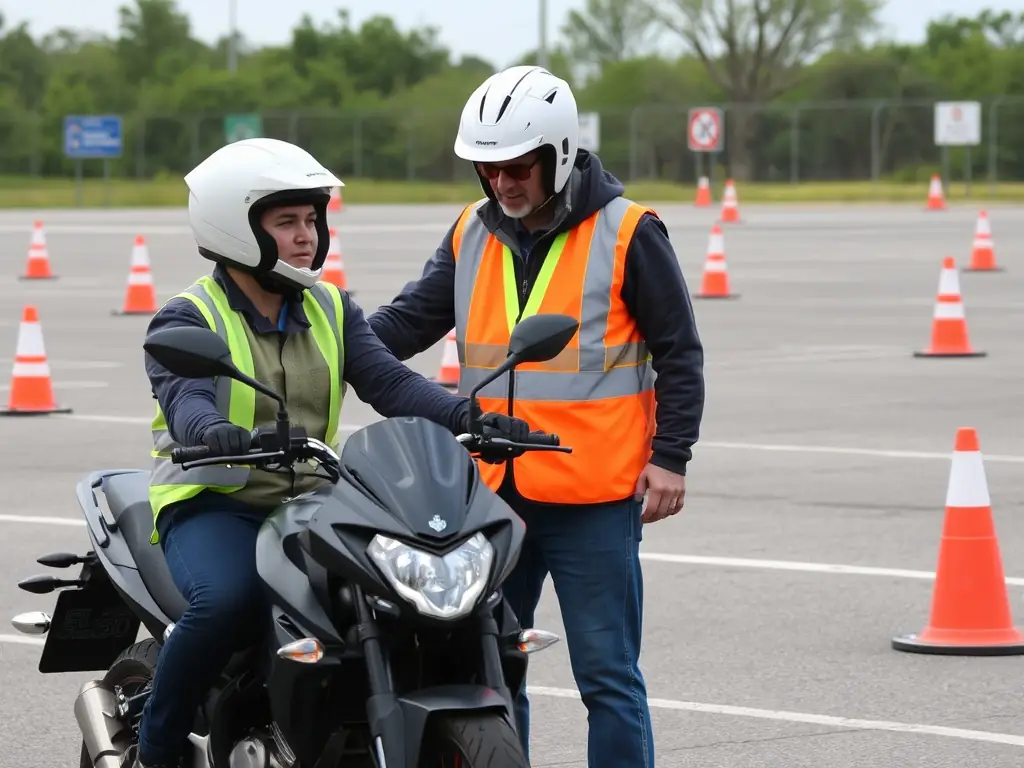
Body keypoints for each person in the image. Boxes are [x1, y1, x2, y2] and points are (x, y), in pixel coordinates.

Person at [127, 137, 531, 768]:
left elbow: (390, 383)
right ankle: (158, 748)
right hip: (217, 503)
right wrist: (212, 429)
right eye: (286, 222)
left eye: (312, 220)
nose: (305, 235)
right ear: (237, 229)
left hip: (313, 501)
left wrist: (472, 416)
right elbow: (185, 398)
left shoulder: (329, 305)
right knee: (226, 602)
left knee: (393, 597)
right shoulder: (191, 316)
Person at [366, 66, 705, 768]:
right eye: (487, 170)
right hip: (493, 494)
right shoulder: (472, 229)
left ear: (559, 154)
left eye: (516, 168)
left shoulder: (629, 231)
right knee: (489, 677)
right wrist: (332, 339)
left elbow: (680, 351)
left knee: (607, 678)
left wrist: (672, 456)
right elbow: (408, 321)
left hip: (593, 496)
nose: (501, 184)